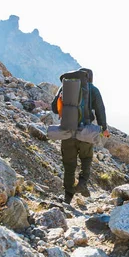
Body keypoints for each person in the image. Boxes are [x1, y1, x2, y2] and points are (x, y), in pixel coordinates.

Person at [52, 68, 109, 204]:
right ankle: (82, 183)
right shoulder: (92, 89)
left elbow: (54, 108)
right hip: (85, 131)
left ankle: (68, 197)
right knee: (86, 158)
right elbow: (100, 109)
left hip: (67, 131)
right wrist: (104, 128)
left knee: (69, 164)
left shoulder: (64, 87)